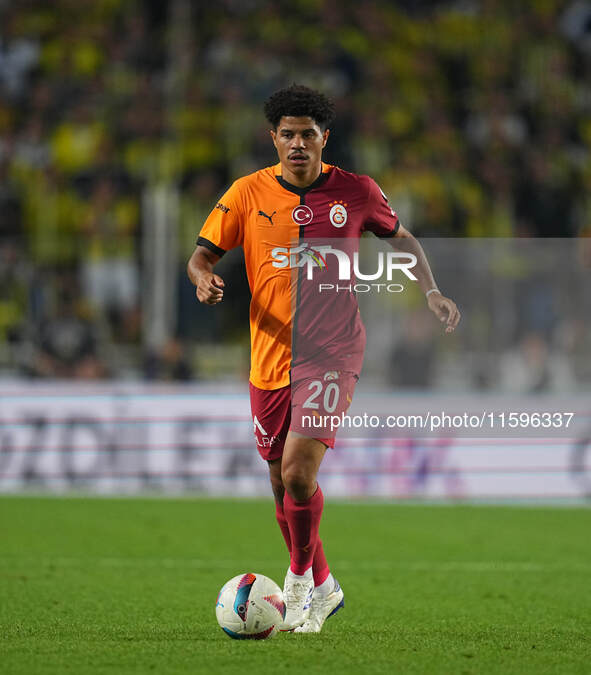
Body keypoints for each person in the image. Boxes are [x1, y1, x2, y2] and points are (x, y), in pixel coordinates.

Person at [187, 85, 460, 633]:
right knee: (278, 484)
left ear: (323, 138)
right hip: (269, 355)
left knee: (297, 471)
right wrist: (203, 279)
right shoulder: (245, 194)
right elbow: (201, 255)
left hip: (332, 351)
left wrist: (430, 290)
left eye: (307, 134)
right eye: (287, 134)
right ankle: (326, 585)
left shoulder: (356, 191)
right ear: (273, 138)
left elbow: (402, 239)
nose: (296, 143)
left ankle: (298, 584)